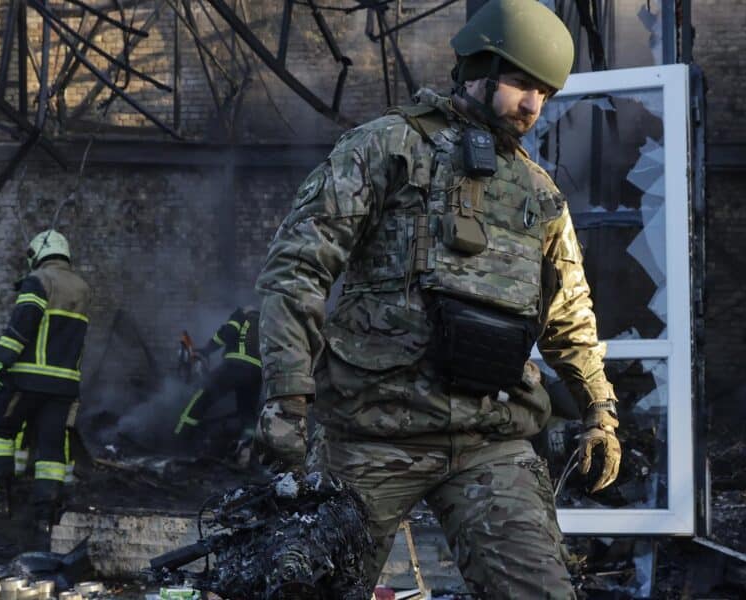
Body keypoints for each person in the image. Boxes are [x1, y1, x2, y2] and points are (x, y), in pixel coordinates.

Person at [254, 1, 622, 597]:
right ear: (478, 69)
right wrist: (287, 396)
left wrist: (599, 412)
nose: (533, 106)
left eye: (546, 94)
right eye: (523, 83)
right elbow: (297, 269)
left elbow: (569, 317)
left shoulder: (539, 193)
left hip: (490, 440)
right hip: (373, 435)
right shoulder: (385, 149)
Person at [0, 230, 90, 523]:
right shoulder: (81, 287)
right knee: (51, 445)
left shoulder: (39, 280)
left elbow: (22, 323)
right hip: (64, 385)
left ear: (39, 253)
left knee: (0, 430)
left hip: (27, 379)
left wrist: (0, 363)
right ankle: (46, 511)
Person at [173, 306, 262, 456]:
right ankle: (246, 451)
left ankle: (178, 441)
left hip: (235, 366)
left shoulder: (241, 314)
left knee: (201, 399)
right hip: (256, 373)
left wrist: (206, 350)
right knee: (248, 415)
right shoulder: (266, 322)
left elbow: (227, 333)